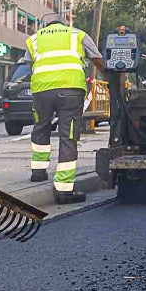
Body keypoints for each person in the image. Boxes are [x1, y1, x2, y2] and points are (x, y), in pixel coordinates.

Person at [25, 13, 105, 204]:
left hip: (42, 90)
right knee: (68, 136)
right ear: (64, 25)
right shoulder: (77, 35)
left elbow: (30, 65)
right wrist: (112, 80)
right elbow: (97, 59)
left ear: (47, 26)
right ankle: (63, 190)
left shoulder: (34, 39)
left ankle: (38, 171)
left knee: (41, 126)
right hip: (71, 90)